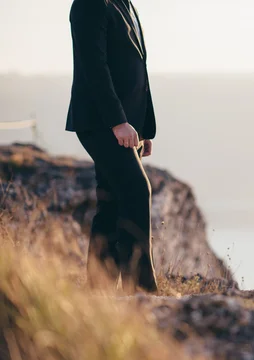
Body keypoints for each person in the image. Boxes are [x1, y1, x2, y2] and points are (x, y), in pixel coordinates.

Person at [65, 0, 158, 293]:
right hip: (100, 121)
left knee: (112, 203)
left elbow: (136, 67)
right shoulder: (89, 3)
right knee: (136, 190)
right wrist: (117, 122)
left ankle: (98, 292)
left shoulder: (124, 3)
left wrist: (142, 128)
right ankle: (141, 291)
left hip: (123, 123)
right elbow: (94, 66)